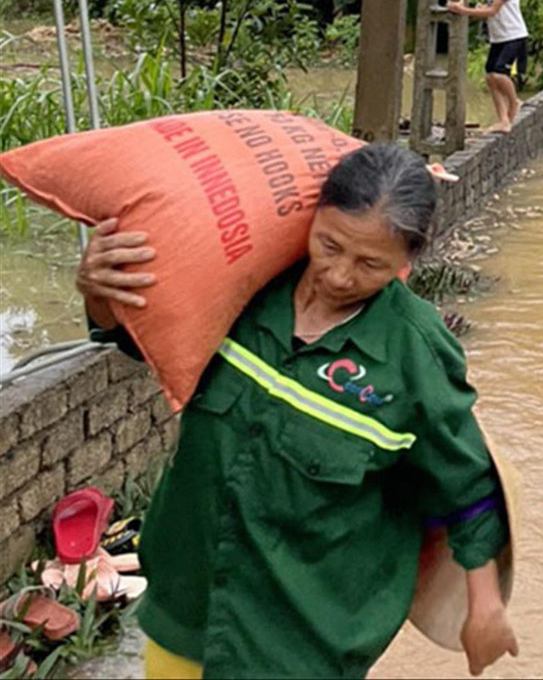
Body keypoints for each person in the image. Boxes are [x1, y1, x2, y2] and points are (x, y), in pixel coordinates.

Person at [78, 144, 518, 679]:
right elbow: (142, 341)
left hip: (302, 642)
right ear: (314, 217)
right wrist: (100, 295)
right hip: (190, 607)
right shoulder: (244, 287)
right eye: (329, 245)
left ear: (408, 260)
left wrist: (485, 606)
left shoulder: (413, 355)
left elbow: (467, 486)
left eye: (370, 265)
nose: (338, 275)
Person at [448, 0, 527, 133]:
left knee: (499, 72)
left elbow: (493, 11)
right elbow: (490, 7)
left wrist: (463, 10)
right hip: (498, 36)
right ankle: (503, 120)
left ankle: (514, 101)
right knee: (491, 77)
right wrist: (476, 9)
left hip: (513, 34)